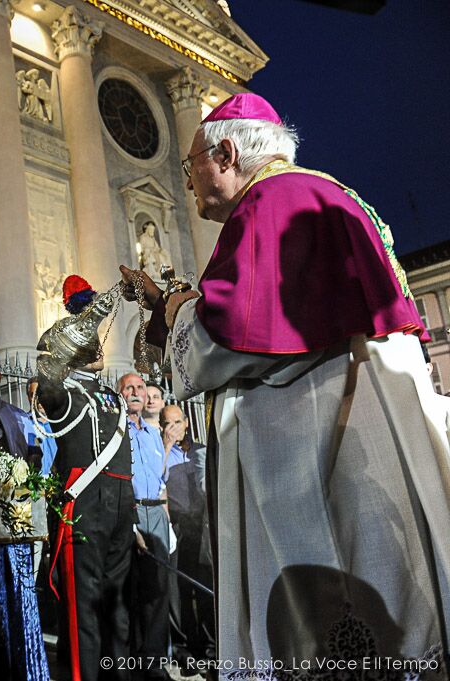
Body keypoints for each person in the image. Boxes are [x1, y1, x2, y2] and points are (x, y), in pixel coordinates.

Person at [121, 92, 450, 668]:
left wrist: (174, 309)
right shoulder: (328, 192)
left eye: (190, 163)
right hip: (366, 424)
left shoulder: (272, 202)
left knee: (332, 616)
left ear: (225, 154)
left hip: (317, 444)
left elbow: (228, 333)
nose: (189, 179)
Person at [34, 274, 134, 681]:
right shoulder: (63, 395)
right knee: (83, 605)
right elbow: (49, 381)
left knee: (118, 605)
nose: (95, 346)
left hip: (120, 507)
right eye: (84, 342)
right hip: (86, 506)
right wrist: (83, 320)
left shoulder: (109, 395)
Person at [118, 372, 177, 679]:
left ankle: (154, 663)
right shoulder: (116, 431)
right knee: (130, 589)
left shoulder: (153, 433)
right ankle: (130, 662)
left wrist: (166, 520)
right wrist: (130, 524)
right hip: (131, 511)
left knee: (158, 589)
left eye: (140, 387)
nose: (136, 392)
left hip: (156, 512)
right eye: (129, 387)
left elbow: (159, 479)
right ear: (120, 394)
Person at [161, 404, 212, 670]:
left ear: (187, 423)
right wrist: (166, 447)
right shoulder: (162, 451)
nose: (174, 428)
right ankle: (183, 648)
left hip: (201, 527)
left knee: (204, 586)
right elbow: (157, 479)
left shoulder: (202, 451)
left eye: (177, 422)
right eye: (168, 423)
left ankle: (209, 646)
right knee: (178, 589)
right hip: (178, 525)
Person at [26, 377, 57, 476]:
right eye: (33, 395)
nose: (39, 400)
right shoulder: (23, 424)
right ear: (28, 398)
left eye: (42, 394)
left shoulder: (60, 425)